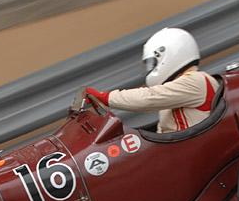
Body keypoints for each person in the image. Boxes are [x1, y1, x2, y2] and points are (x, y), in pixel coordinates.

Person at [85, 27, 220, 134]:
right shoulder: (185, 84)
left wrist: (104, 97)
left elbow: (148, 98)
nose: (151, 68)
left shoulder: (195, 81)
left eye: (153, 63)